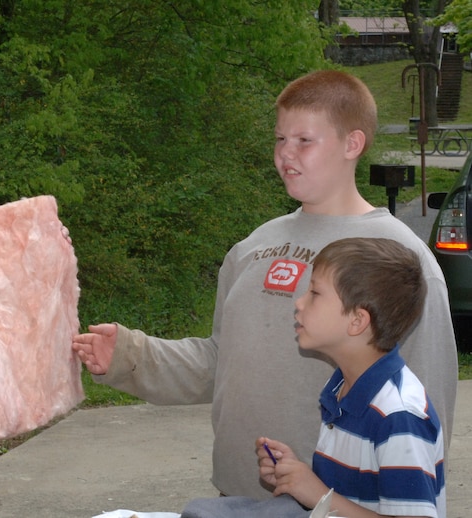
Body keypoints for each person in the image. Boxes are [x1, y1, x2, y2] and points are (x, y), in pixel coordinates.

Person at [72, 69, 458, 499]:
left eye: (304, 141)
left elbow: (427, 411)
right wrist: (130, 355)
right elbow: (219, 362)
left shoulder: (399, 257)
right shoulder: (255, 246)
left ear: (353, 144)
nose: (285, 154)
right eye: (279, 139)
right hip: (234, 497)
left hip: (337, 506)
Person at [182, 237, 445, 517]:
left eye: (315, 293)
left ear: (357, 321)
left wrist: (318, 494)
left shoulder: (399, 414)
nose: (299, 302)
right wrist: (298, 477)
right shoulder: (342, 389)